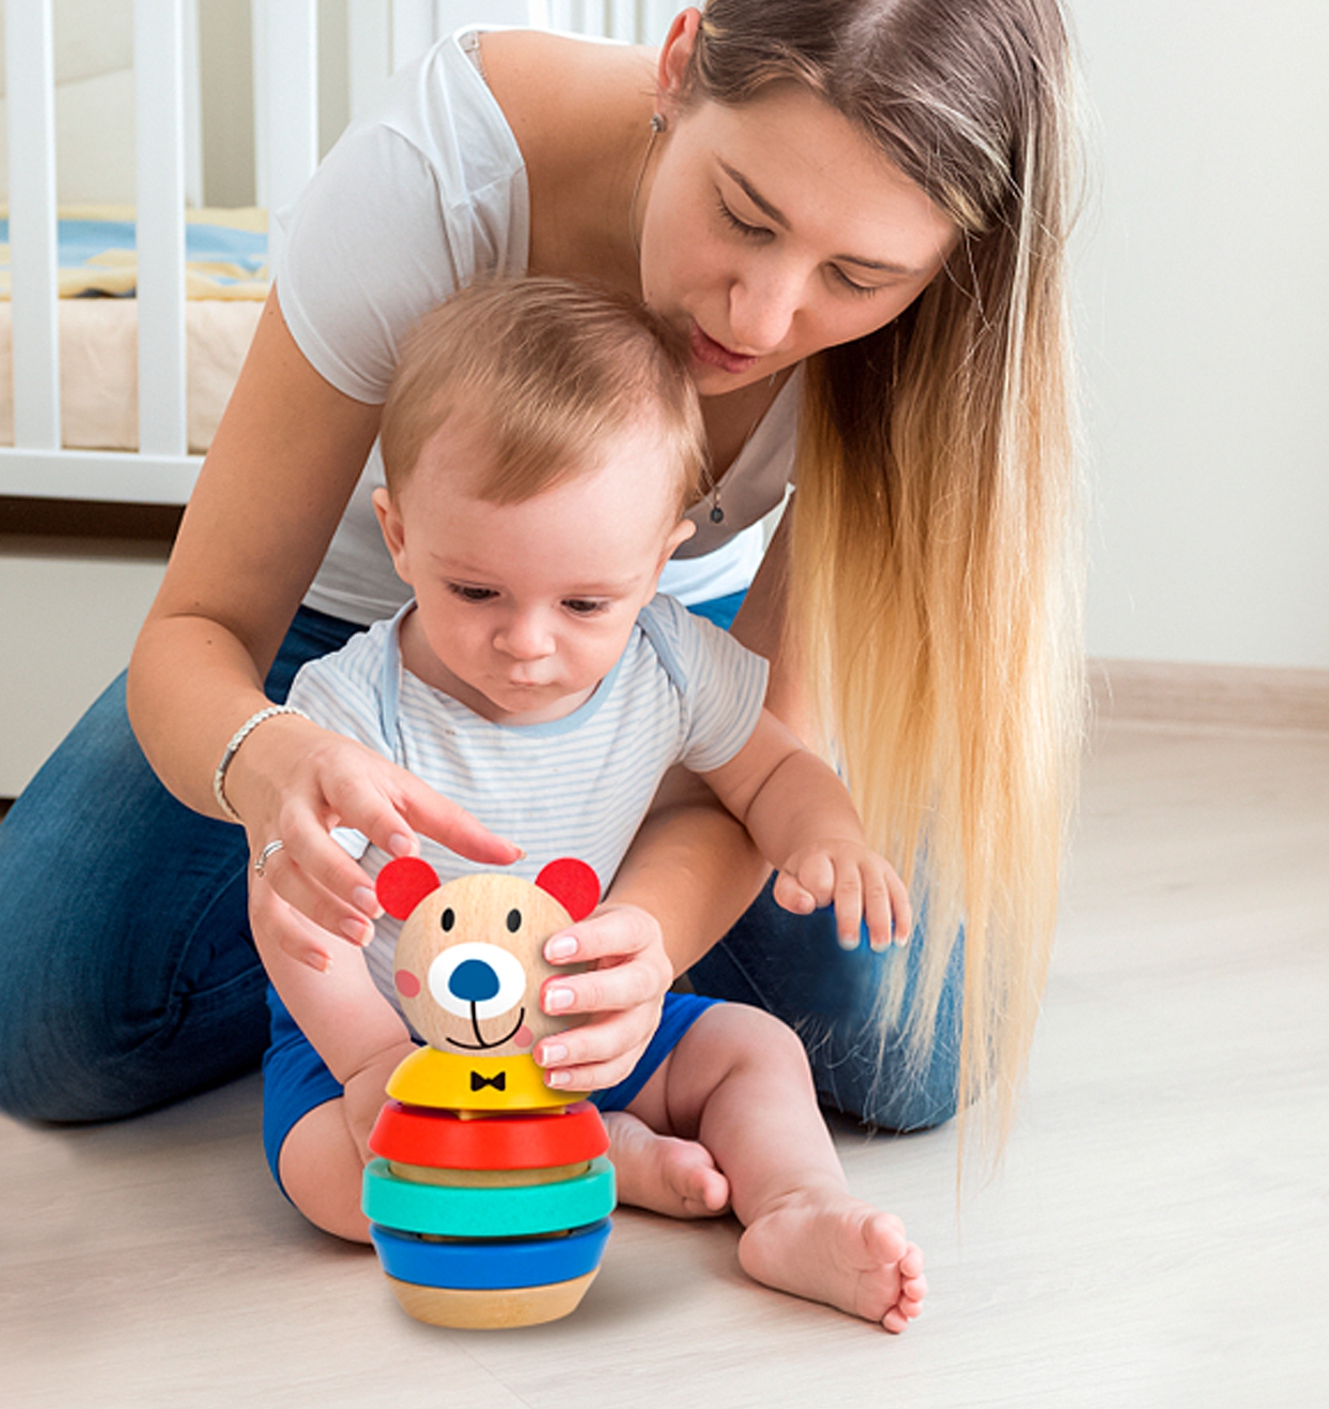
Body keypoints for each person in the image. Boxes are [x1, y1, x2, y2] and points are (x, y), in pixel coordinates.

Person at [0, 0, 1083, 1165]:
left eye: (857, 278)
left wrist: (636, 945)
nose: (763, 317)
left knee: (920, 1051)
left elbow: (758, 756)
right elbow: (198, 632)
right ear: (676, 65)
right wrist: (272, 772)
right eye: (744, 216)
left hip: (640, 659)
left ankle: (524, 1011)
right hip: (341, 652)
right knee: (36, 1023)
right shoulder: (436, 178)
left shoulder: (928, 343)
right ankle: (398, 990)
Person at [260, 275, 924, 1331]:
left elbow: (772, 770)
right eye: (475, 591)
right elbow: (290, 906)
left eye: (584, 603)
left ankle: (798, 1206)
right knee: (336, 1191)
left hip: (592, 1029)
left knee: (758, 1052)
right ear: (397, 535)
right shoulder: (351, 705)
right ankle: (602, 1155)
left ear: (659, 561)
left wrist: (827, 835)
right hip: (394, 1038)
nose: (527, 643)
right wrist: (369, 1061)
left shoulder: (668, 658)